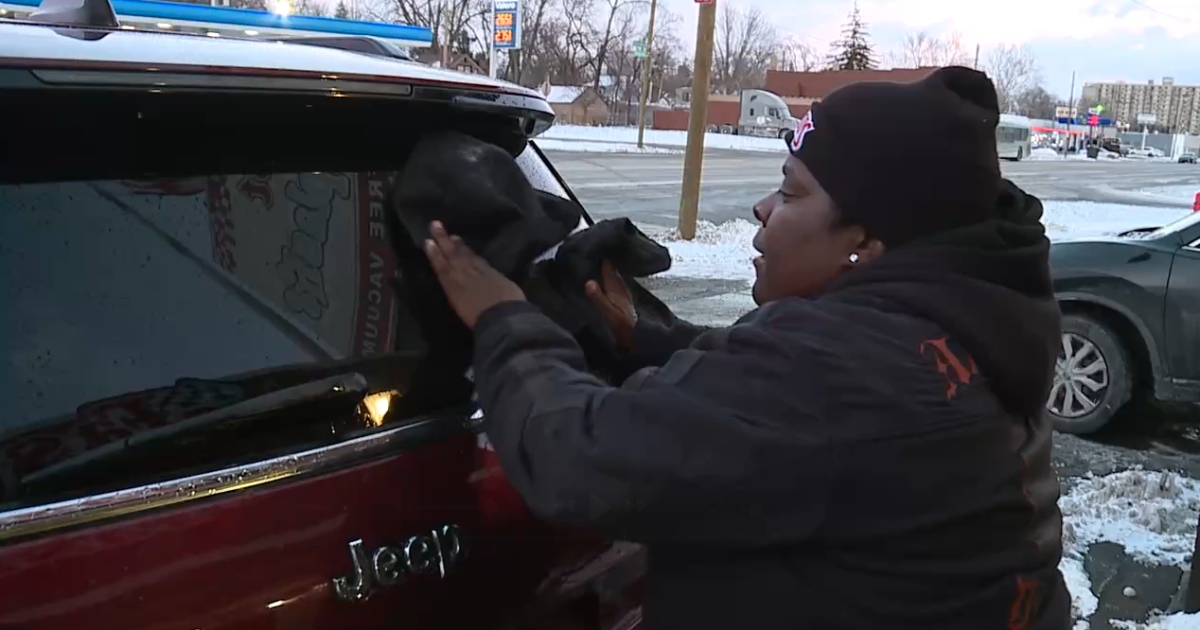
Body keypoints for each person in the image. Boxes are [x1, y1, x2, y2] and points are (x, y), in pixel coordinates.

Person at [422, 66, 1070, 630]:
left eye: (790, 192)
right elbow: (793, 415)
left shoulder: (839, 375)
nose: (763, 208)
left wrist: (502, 316)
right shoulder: (960, 326)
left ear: (867, 241)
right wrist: (652, 342)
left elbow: (577, 455)